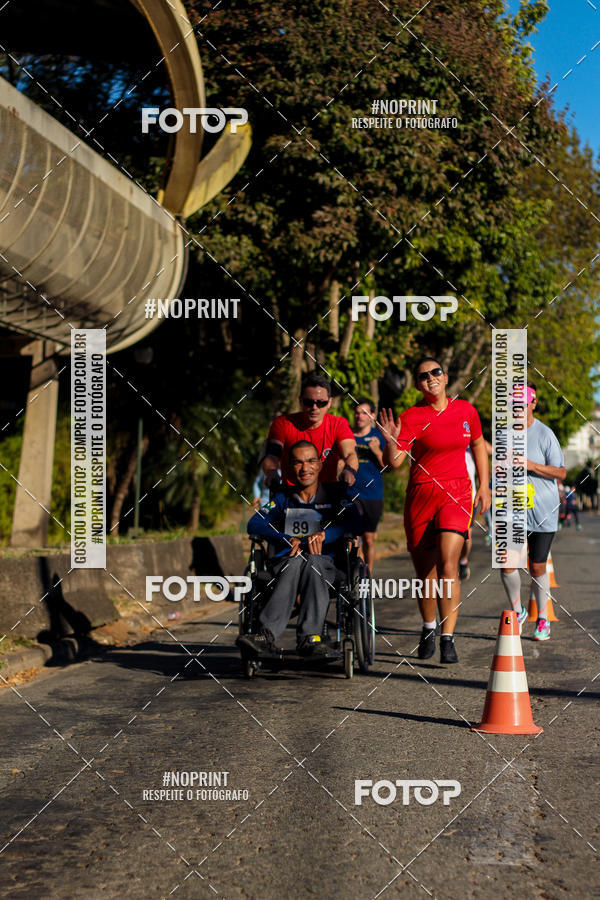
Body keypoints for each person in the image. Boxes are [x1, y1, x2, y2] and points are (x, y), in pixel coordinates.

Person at [380, 357, 491, 664]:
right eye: (423, 375)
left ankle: (448, 637)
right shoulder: (411, 416)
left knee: (448, 565)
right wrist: (391, 441)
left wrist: (484, 485)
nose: (430, 378)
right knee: (425, 573)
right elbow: (395, 462)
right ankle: (429, 627)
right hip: (421, 496)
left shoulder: (466, 410)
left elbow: (479, 444)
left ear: (445, 376)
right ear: (418, 384)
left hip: (456, 492)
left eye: (435, 372)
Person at [238, 440, 363, 659]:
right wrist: (286, 539)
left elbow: (356, 522)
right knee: (296, 561)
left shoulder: (334, 494)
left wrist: (326, 535)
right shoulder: (282, 498)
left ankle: (310, 638)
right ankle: (265, 635)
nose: (305, 468)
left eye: (310, 461)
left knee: (313, 562)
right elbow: (254, 524)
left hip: (324, 564)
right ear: (289, 468)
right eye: (297, 463)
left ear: (320, 465)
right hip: (286, 563)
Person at [499, 383, 566, 641]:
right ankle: (518, 611)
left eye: (524, 403)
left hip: (544, 510)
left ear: (533, 403)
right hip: (512, 509)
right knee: (506, 563)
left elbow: (560, 472)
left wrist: (530, 465)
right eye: (514, 404)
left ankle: (542, 619)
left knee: (537, 566)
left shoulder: (544, 434)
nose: (519, 408)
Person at [262, 374, 359, 489]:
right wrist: (271, 472)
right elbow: (272, 454)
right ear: (300, 401)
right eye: (309, 402)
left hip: (326, 493)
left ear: (329, 402)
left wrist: (349, 471)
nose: (314, 407)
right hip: (291, 493)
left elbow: (350, 453)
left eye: (321, 402)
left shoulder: (338, 424)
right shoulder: (282, 423)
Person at [353, 398, 386, 573]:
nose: (360, 416)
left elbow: (387, 465)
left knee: (369, 539)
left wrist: (376, 450)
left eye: (364, 413)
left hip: (373, 495)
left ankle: (368, 574)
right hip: (351, 494)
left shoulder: (379, 436)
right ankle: (356, 574)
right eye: (357, 413)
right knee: (354, 537)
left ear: (372, 416)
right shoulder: (347, 435)